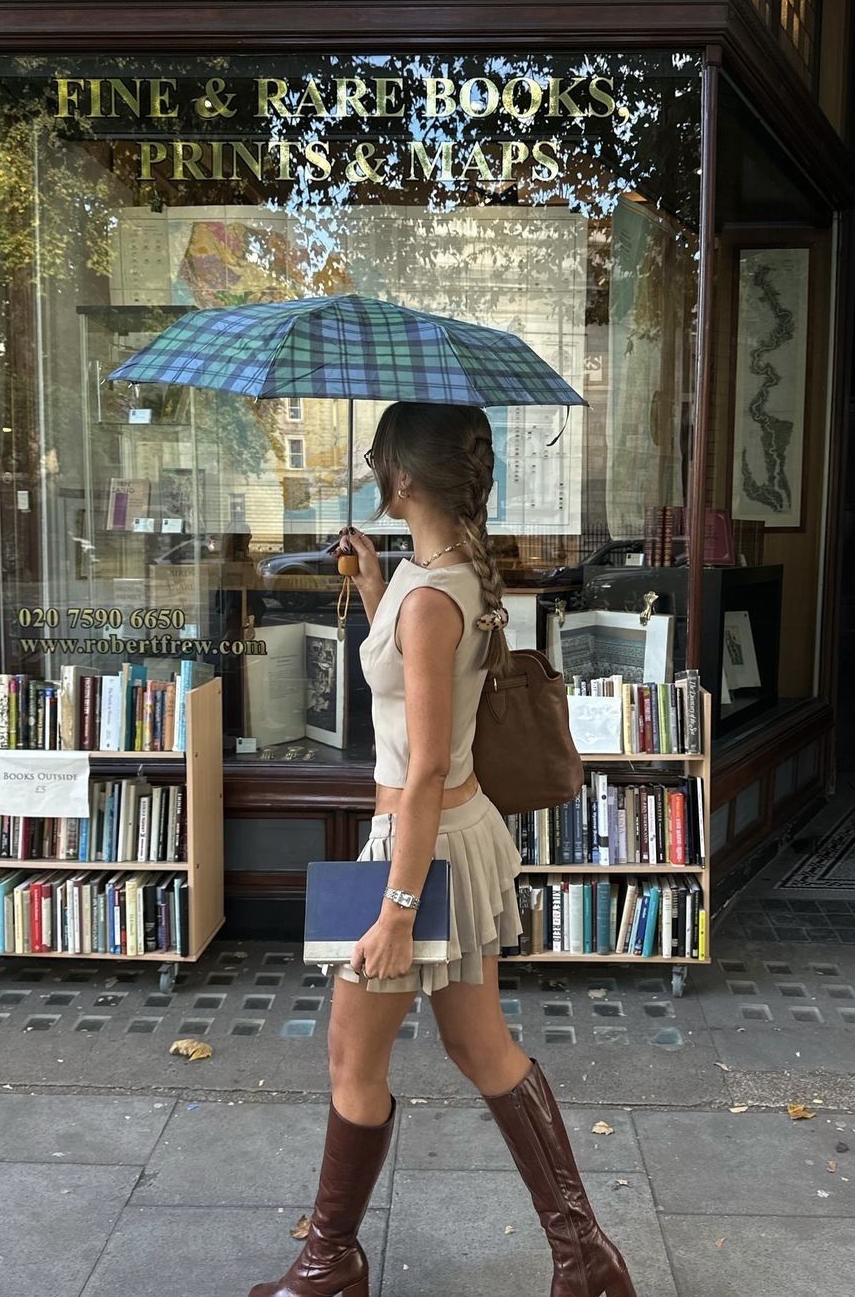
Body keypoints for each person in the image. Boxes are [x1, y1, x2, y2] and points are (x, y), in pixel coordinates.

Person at [247, 402, 634, 1297]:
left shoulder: (431, 599)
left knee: (353, 1060)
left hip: (414, 848)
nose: (369, 471)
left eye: (375, 458)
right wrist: (374, 584)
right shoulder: (442, 576)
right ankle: (586, 1261)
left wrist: (395, 909)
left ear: (403, 478)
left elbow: (422, 768)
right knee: (482, 1047)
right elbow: (421, 679)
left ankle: (330, 1265)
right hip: (459, 834)